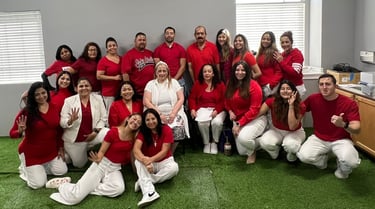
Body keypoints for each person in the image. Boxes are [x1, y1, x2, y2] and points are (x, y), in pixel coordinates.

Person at [49, 113, 142, 205]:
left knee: (118, 189)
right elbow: (101, 151)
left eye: (138, 122)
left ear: (139, 127)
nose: (135, 122)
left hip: (114, 168)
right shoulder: (113, 132)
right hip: (101, 163)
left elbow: (132, 155)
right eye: (134, 119)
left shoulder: (133, 139)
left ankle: (86, 187)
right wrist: (98, 159)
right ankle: (63, 185)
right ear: (128, 119)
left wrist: (137, 173)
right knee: (75, 197)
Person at [297, 74, 361, 179]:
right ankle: (323, 160)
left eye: (328, 84)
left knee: (351, 163)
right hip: (319, 138)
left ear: (335, 86)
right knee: (303, 156)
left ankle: (343, 167)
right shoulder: (313, 98)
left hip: (341, 139)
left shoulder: (349, 103)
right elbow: (299, 109)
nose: (324, 87)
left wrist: (343, 124)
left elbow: (357, 129)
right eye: (321, 84)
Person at [9, 82, 68, 189]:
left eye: (43, 93)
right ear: (32, 96)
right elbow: (12, 134)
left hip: (50, 151)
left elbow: (59, 130)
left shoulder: (54, 107)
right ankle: (25, 168)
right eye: (37, 94)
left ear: (47, 93)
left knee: (61, 171)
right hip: (31, 153)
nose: (41, 96)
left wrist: (60, 147)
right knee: (38, 184)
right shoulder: (26, 112)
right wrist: (20, 131)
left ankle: (40, 169)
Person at [133, 108, 179, 207]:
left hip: (164, 161)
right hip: (149, 164)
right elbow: (136, 150)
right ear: (144, 122)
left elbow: (164, 151)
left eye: (153, 118)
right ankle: (150, 193)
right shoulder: (143, 132)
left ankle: (144, 181)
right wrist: (146, 161)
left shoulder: (166, 129)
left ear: (157, 119)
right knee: (138, 161)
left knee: (174, 168)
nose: (151, 122)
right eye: (147, 120)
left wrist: (150, 160)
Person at [60, 78, 109, 168]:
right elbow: (62, 122)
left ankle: (107, 159)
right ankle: (70, 154)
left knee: (109, 133)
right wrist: (70, 120)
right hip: (75, 140)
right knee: (79, 164)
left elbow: (103, 118)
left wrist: (96, 132)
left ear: (91, 88)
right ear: (76, 89)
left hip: (93, 135)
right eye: (81, 86)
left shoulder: (98, 98)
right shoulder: (69, 101)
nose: (84, 88)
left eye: (87, 85)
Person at [225, 61, 267, 164]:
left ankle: (253, 152)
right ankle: (263, 141)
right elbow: (226, 101)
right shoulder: (230, 83)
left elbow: (254, 109)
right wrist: (230, 111)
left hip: (254, 119)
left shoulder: (254, 86)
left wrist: (239, 124)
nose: (240, 72)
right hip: (238, 120)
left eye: (243, 70)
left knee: (244, 139)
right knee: (242, 152)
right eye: (237, 70)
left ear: (247, 71)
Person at [143, 61, 189, 153]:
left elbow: (181, 99)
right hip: (156, 113)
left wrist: (173, 113)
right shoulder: (150, 84)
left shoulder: (174, 82)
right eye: (159, 71)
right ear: (155, 72)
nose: (162, 73)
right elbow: (146, 101)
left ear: (168, 72)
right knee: (158, 128)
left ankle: (169, 153)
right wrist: (159, 115)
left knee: (177, 129)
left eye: (164, 71)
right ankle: (159, 151)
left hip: (173, 112)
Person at [258, 80, 306, 162]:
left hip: (294, 132)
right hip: (276, 130)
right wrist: (241, 122)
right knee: (264, 142)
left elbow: (292, 126)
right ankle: (276, 151)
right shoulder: (272, 101)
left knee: (291, 146)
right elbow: (258, 113)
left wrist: (291, 105)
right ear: (279, 91)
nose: (285, 91)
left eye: (288, 88)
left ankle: (292, 155)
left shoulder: (300, 105)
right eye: (282, 89)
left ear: (293, 91)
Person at [188, 64, 226, 154]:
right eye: (205, 71)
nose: (207, 73)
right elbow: (192, 98)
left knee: (217, 122)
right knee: (202, 123)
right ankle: (206, 142)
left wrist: (217, 110)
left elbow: (224, 100)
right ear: (202, 73)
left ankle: (214, 142)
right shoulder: (198, 83)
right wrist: (193, 109)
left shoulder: (220, 84)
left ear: (213, 73)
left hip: (218, 109)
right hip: (202, 109)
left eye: (209, 71)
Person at [154, 26, 187, 92]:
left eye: (171, 33)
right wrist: (166, 80)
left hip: (178, 81)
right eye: (167, 33)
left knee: (181, 101)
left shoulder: (181, 49)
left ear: (174, 35)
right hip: (163, 81)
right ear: (165, 35)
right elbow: (158, 67)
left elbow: (183, 66)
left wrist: (174, 80)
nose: (169, 35)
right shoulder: (158, 49)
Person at [122, 32, 155, 97]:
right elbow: (125, 74)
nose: (142, 42)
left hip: (151, 90)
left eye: (144, 40)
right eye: (139, 40)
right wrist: (129, 90)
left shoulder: (150, 53)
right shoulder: (128, 55)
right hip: (137, 93)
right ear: (135, 41)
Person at [273, 31, 306, 96]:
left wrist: (281, 62)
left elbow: (295, 72)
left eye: (287, 42)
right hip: (285, 87)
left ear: (291, 42)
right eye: (282, 42)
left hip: (296, 87)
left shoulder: (297, 54)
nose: (284, 44)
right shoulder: (282, 54)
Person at [97, 37, 122, 112]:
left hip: (121, 92)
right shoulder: (103, 61)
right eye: (110, 46)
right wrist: (114, 78)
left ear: (117, 46)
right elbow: (98, 76)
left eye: (114, 45)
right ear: (107, 48)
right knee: (110, 113)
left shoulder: (122, 58)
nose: (112, 47)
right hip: (109, 93)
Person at [256, 31, 283, 98]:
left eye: (268, 39)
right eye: (264, 38)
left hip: (269, 86)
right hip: (260, 85)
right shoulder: (260, 53)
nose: (265, 41)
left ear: (272, 41)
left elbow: (279, 72)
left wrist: (271, 85)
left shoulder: (274, 53)